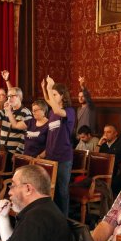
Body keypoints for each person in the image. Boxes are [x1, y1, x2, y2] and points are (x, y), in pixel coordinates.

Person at [0, 165, 71, 241]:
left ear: (28, 189)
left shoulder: (35, 219)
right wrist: (3, 217)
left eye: (12, 186)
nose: (9, 192)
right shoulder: (43, 209)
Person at [41, 76, 75, 216]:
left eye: (55, 94)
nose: (52, 97)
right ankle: (53, 217)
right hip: (50, 156)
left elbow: (57, 110)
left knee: (62, 191)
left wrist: (49, 88)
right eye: (52, 95)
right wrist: (45, 88)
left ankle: (63, 219)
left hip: (63, 158)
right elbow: (49, 102)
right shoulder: (51, 112)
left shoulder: (69, 111)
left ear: (62, 96)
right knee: (50, 190)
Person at [0, 86, 32, 171]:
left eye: (12, 96)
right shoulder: (7, 110)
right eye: (8, 96)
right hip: (3, 151)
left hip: (14, 153)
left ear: (19, 96)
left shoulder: (26, 112)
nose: (9, 98)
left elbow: (26, 135)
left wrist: (18, 153)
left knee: (11, 179)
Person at [97, 124, 121, 196]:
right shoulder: (103, 144)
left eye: (109, 132)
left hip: (117, 172)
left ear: (115, 133)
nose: (106, 134)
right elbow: (95, 156)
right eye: (104, 132)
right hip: (103, 171)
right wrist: (99, 144)